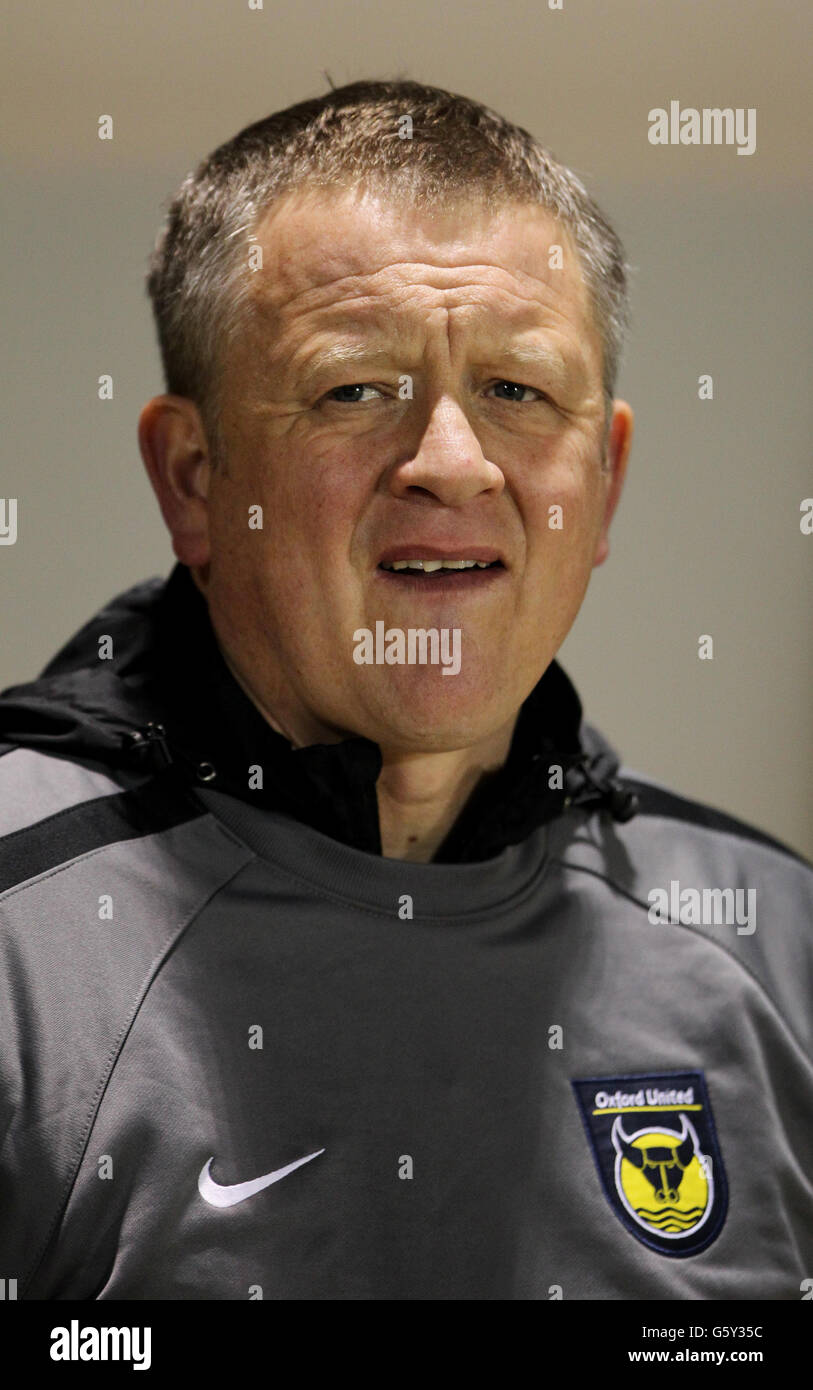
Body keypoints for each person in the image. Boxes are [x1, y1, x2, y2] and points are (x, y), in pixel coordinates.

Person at [1, 79, 810, 1301]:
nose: (452, 463)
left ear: (607, 475)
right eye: (354, 391)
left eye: (519, 391)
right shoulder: (22, 940)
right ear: (194, 477)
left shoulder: (779, 945)